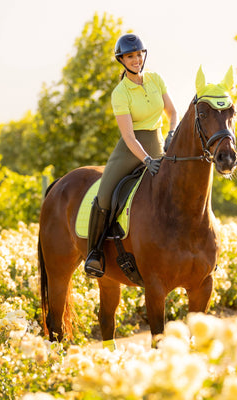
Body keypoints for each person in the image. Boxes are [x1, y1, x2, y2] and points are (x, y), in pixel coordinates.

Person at [85, 33, 178, 277]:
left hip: (157, 143)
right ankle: (94, 253)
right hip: (130, 150)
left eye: (139, 55)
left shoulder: (156, 79)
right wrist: (147, 160)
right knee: (104, 197)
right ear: (122, 60)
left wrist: (171, 133)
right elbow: (129, 136)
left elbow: (172, 112)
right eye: (130, 56)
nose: (136, 60)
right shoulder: (120, 92)